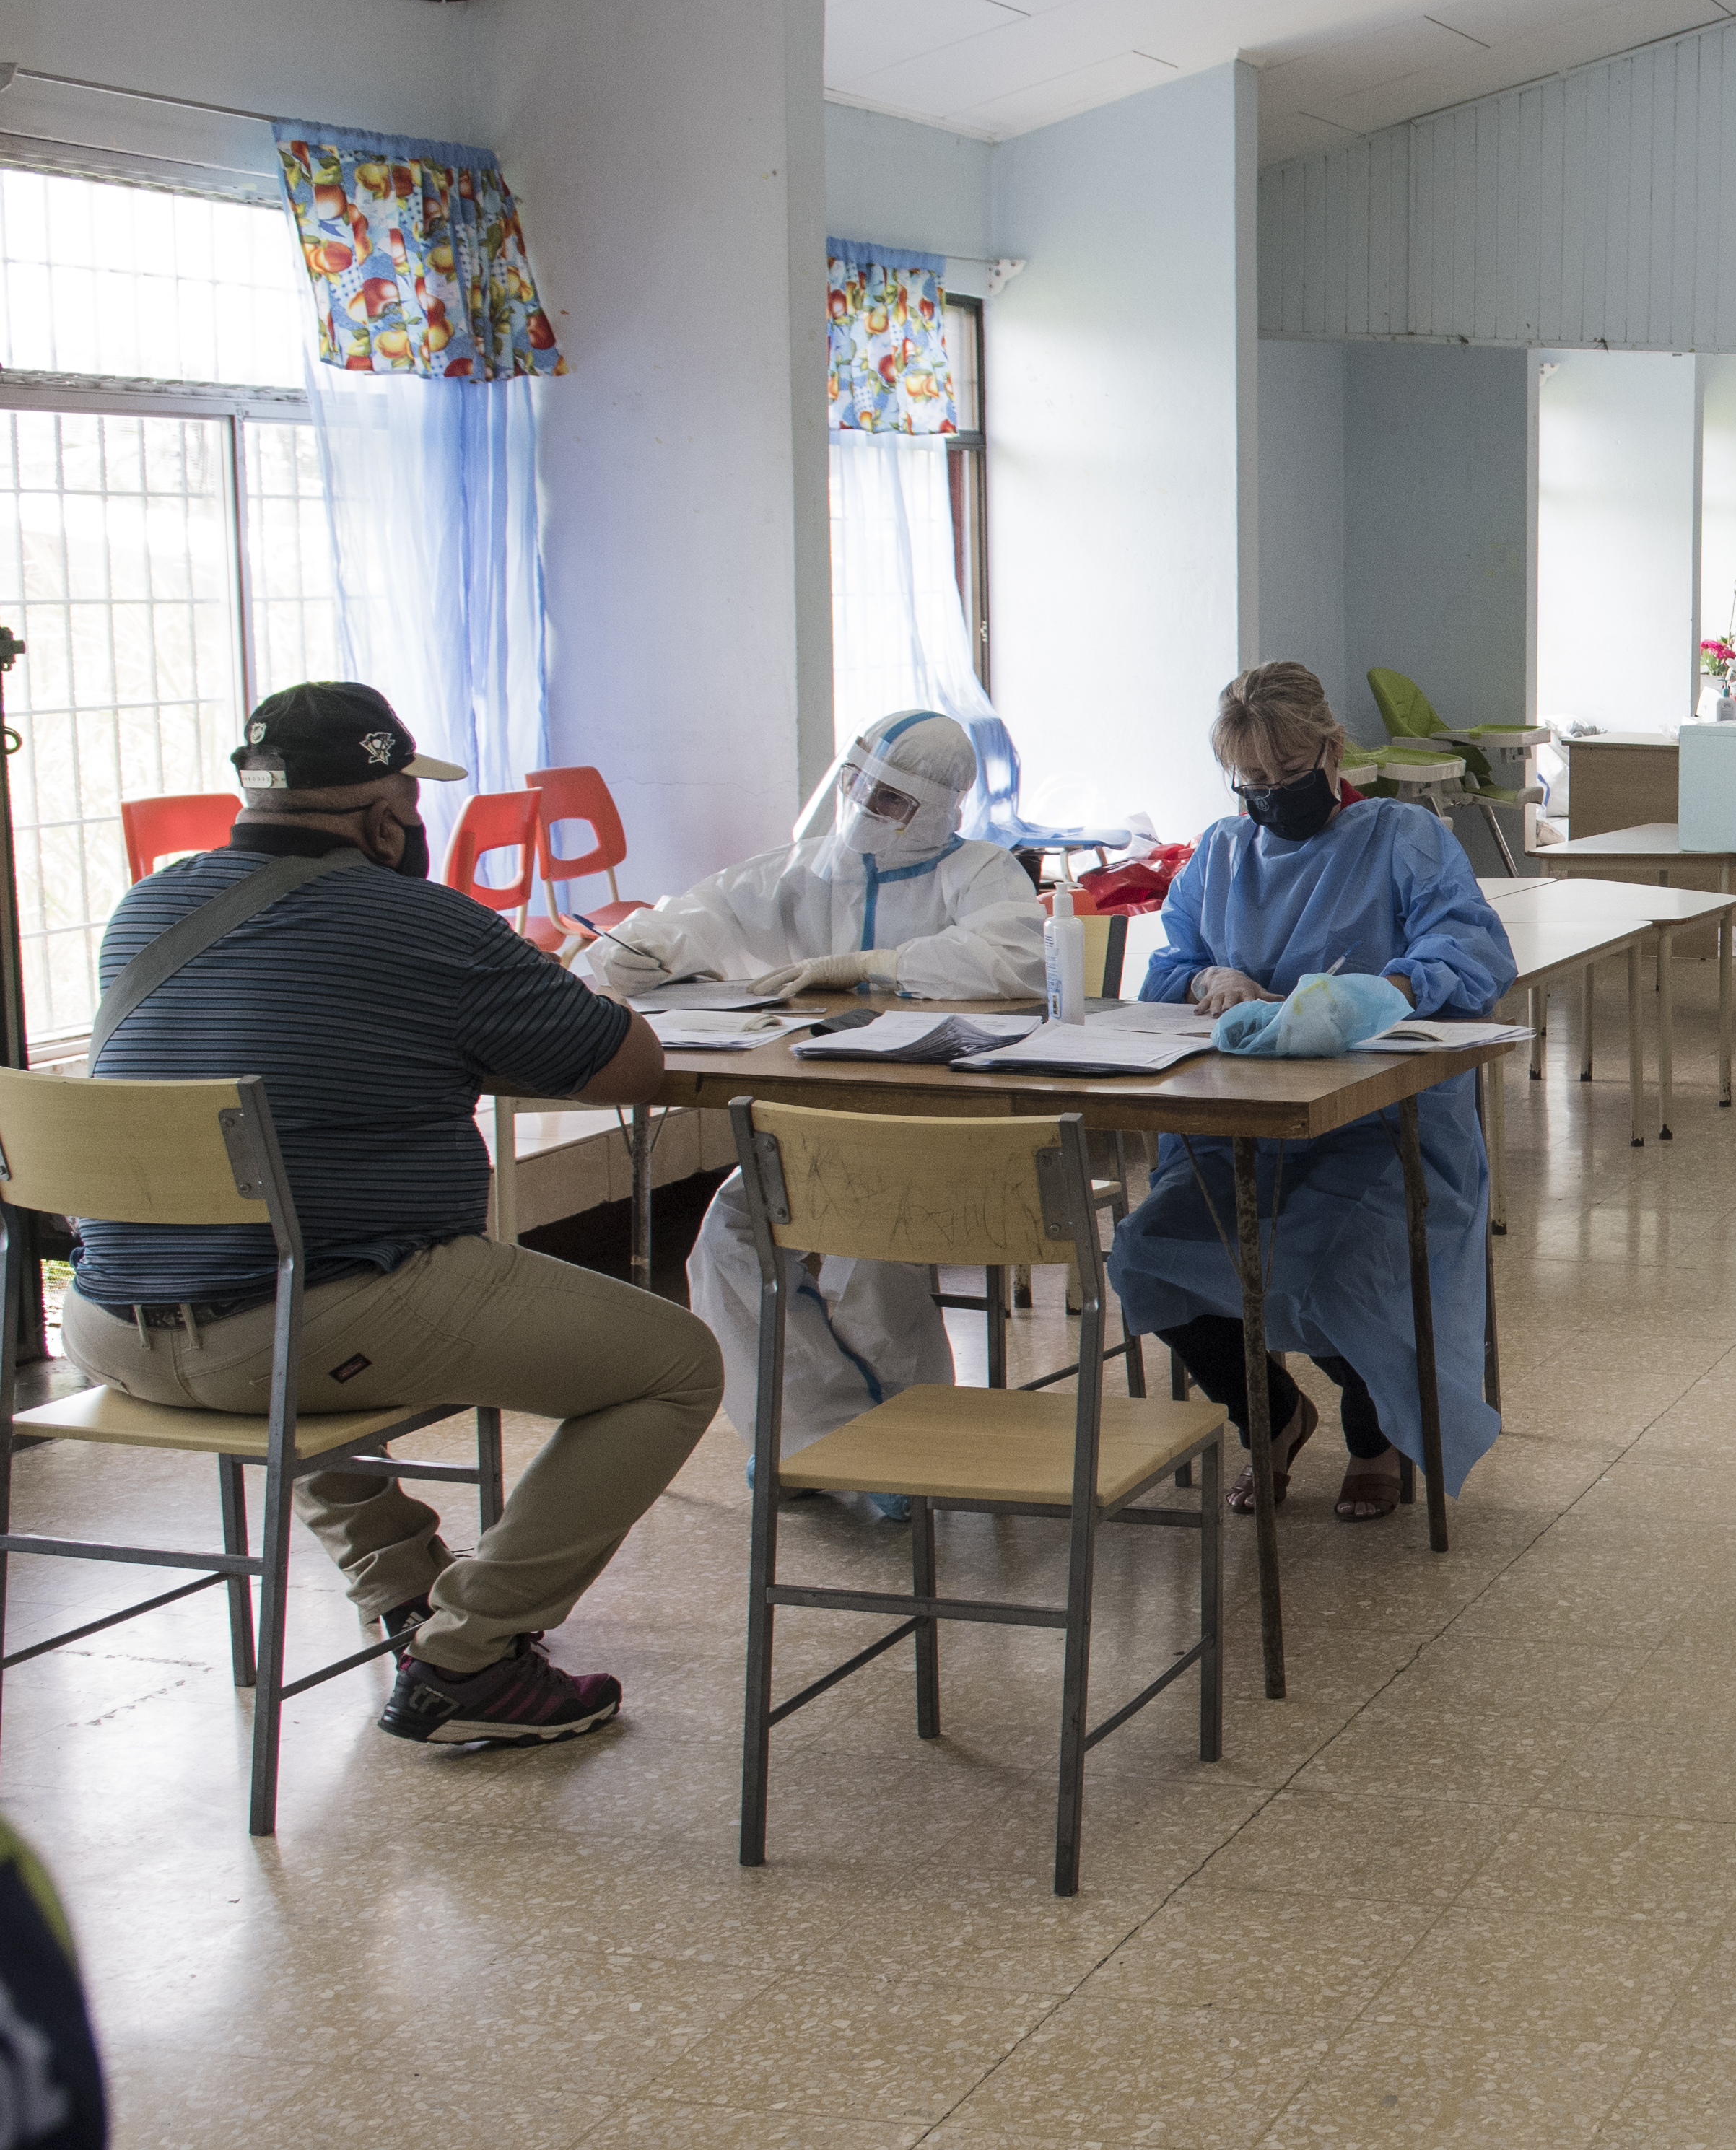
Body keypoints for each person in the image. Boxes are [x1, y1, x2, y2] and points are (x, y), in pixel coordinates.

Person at [61, 683, 716, 1747]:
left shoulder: (151, 904)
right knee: (674, 1365)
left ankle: (408, 1592)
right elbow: (630, 1068)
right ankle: (471, 1657)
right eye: (412, 802)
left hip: (109, 1325)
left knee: (285, 1299)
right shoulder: (425, 921)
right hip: (291, 1326)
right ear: (382, 818)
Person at [577, 709, 1040, 1476]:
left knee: (869, 1261)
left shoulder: (979, 872)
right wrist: (642, 950)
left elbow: (1016, 958)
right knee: (726, 1246)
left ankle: (901, 1452)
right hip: (807, 1127)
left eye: (890, 799)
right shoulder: (800, 870)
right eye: (857, 784)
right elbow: (704, 914)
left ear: (938, 808)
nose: (864, 807)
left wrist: (875, 964)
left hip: (937, 1132)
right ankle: (812, 1442)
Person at [1109, 662, 1517, 1520]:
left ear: (1333, 751)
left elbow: (1473, 954)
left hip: (1382, 1126)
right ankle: (1271, 1416)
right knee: (1149, 1253)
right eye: (1251, 780)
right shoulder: (1221, 854)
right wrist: (1209, 979)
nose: (1271, 794)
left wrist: (1379, 993)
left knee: (1343, 1271)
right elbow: (1168, 968)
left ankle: (1375, 1438)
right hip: (1239, 1128)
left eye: (1290, 772)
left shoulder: (1402, 838)